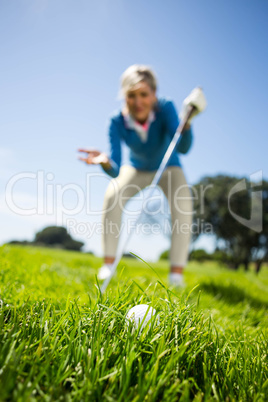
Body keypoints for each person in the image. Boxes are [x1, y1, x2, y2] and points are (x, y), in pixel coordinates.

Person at [79, 64, 206, 287]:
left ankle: (176, 275)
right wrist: (106, 162)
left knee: (183, 205)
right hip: (136, 168)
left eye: (144, 95)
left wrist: (186, 125)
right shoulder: (116, 121)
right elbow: (116, 168)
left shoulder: (166, 108)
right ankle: (108, 266)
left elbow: (183, 148)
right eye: (131, 96)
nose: (138, 102)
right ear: (124, 96)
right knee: (112, 196)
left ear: (154, 94)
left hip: (168, 167)